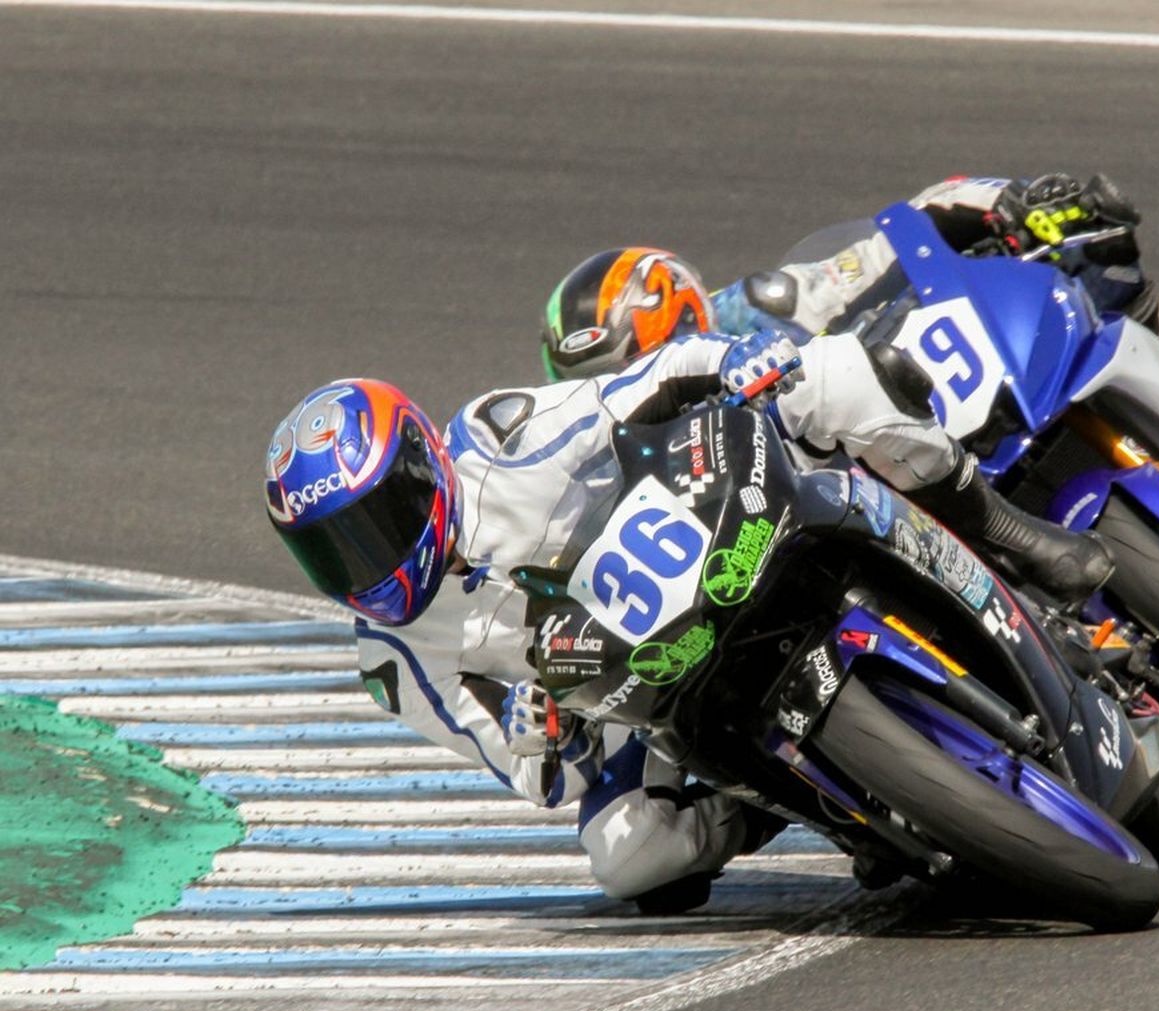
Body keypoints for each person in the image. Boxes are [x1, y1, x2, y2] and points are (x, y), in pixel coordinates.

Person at [263, 326, 1109, 912]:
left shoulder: (500, 440)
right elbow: (544, 781)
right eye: (333, 551)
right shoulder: (394, 659)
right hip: (636, 694)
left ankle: (1004, 530)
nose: (365, 563)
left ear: (421, 464)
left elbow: (644, 383)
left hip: (708, 522)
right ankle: (791, 807)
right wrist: (544, 733)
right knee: (629, 858)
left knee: (840, 373)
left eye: (374, 525)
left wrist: (738, 361)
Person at [539, 173, 1159, 462]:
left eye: (638, 360)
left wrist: (1007, 205)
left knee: (1071, 258)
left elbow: (883, 242)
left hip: (923, 392)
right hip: (854, 494)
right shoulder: (634, 455)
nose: (641, 383)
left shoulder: (762, 305)